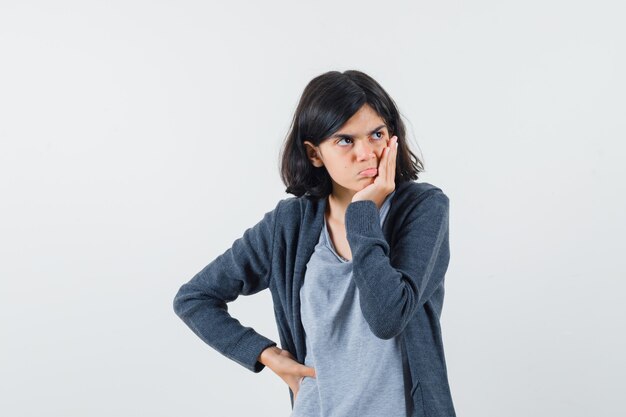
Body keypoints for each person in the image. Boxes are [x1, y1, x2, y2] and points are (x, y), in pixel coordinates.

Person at [173, 69, 456, 417]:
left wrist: (363, 211)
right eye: (345, 140)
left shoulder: (423, 209)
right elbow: (194, 298)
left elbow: (387, 318)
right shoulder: (289, 225)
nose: (367, 153)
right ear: (314, 154)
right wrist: (266, 355)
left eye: (377, 134)